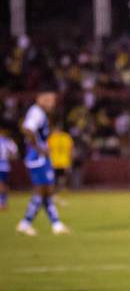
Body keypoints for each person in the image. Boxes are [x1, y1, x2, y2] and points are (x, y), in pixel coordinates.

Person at [16, 91, 70, 235]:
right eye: (48, 99)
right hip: (37, 158)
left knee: (47, 192)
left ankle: (56, 224)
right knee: (41, 191)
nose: (52, 103)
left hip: (39, 157)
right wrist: (38, 148)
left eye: (53, 100)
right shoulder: (37, 112)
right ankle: (25, 223)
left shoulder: (39, 112)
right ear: (40, 99)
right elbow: (28, 129)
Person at [47, 123, 74, 196]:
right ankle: (60, 191)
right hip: (64, 161)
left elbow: (48, 150)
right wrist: (70, 161)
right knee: (62, 177)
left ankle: (55, 192)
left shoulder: (51, 137)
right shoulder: (66, 137)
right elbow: (71, 150)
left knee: (54, 178)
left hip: (54, 161)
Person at [0, 124, 19, 210]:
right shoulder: (7, 141)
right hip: (6, 166)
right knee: (4, 184)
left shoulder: (6, 141)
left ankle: (2, 202)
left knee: (2, 184)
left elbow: (14, 152)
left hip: (2, 165)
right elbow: (15, 152)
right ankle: (4, 201)